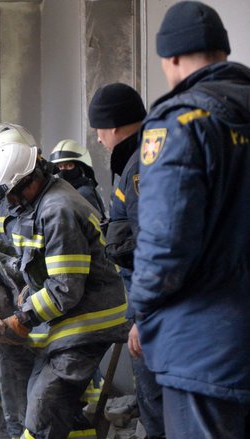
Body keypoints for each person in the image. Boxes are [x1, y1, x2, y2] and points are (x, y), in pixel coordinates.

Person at [131, 2, 250, 438]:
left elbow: (166, 242)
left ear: (172, 57)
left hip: (204, 347)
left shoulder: (180, 123)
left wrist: (141, 311)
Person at [0, 132, 129, 439]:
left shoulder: (58, 210)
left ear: (29, 182)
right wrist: (29, 290)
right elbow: (44, 267)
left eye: (10, 194)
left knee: (43, 409)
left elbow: (65, 289)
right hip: (70, 316)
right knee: (52, 404)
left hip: (86, 321)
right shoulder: (39, 203)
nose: (8, 202)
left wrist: (22, 319)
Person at [88, 82, 164, 438]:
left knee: (157, 409)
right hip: (152, 306)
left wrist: (145, 318)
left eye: (99, 130)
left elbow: (155, 244)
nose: (100, 140)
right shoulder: (140, 158)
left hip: (153, 312)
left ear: (114, 125)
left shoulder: (141, 166)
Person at [49, 139, 106, 219]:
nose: (63, 171)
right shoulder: (68, 191)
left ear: (81, 167)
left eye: (69, 165)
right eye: (60, 166)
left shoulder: (83, 193)